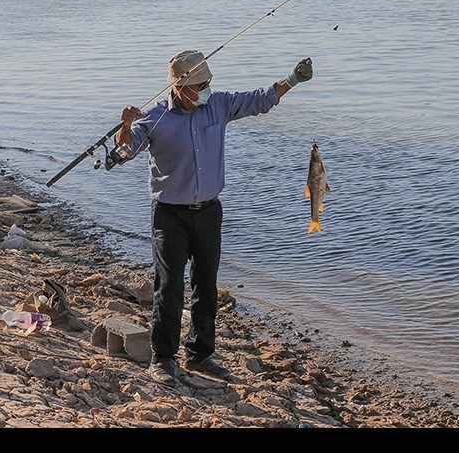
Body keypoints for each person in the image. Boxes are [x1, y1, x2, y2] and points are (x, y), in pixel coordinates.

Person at [116, 50, 313, 387]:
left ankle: (200, 354)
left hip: (208, 211)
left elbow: (259, 100)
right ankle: (163, 358)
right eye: (199, 84)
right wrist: (125, 125)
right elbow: (124, 152)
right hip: (169, 215)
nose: (206, 88)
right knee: (170, 287)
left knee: (206, 285)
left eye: (208, 82)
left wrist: (292, 79)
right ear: (180, 86)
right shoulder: (154, 117)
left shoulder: (218, 104)